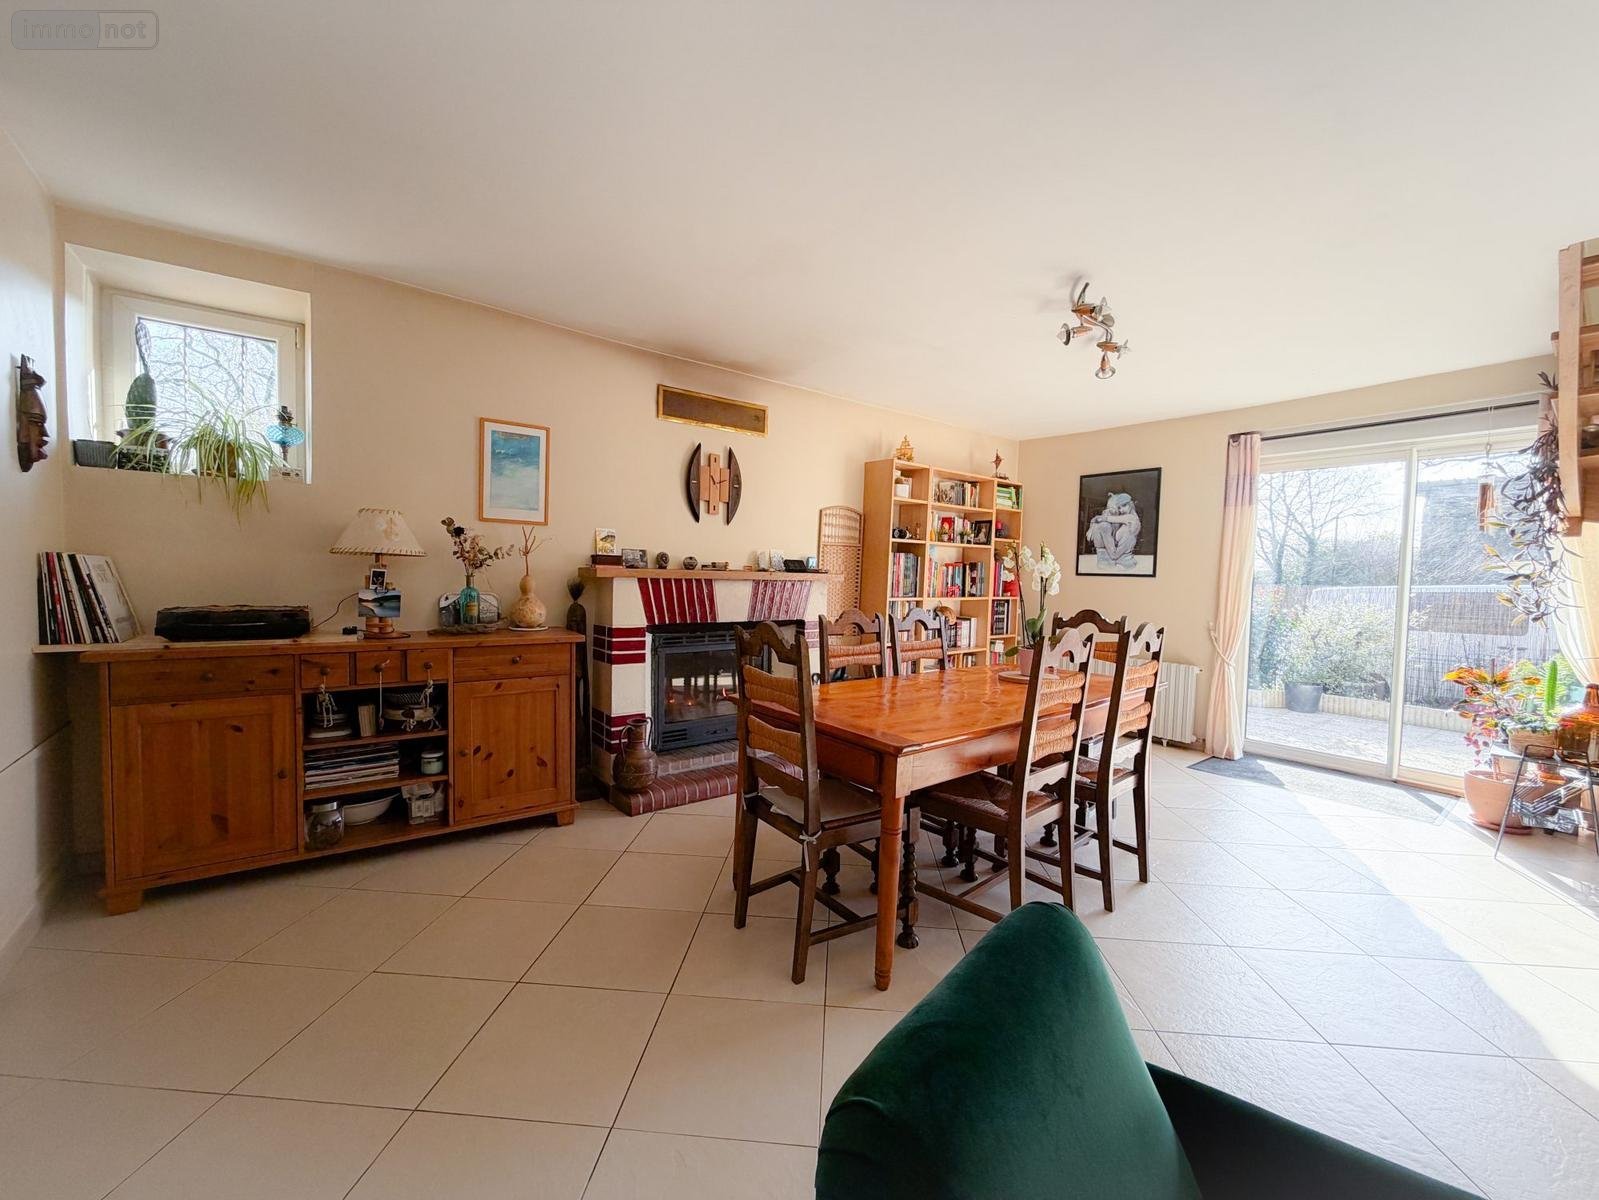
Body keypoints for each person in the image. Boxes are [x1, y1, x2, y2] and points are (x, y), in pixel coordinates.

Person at [1086, 492, 1140, 568]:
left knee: (1104, 526)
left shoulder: (1130, 518)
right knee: (1104, 526)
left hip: (1119, 560)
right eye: (1119, 508)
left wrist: (1096, 522)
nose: (1121, 510)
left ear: (1129, 505)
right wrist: (1092, 526)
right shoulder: (1125, 520)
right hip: (1119, 559)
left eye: (1122, 507)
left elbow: (1107, 519)